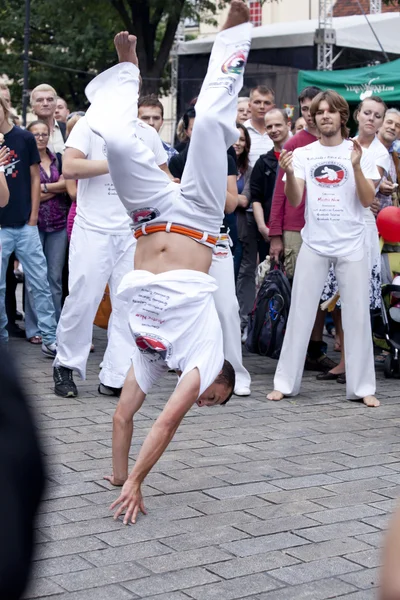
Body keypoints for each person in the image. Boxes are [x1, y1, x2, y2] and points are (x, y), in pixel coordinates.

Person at [84, 2, 251, 523]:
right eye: (215, 400)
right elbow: (168, 424)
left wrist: (118, 474)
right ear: (219, 381)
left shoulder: (153, 357)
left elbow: (124, 417)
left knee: (113, 140)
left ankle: (128, 72)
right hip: (199, 215)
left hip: (150, 214)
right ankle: (234, 39)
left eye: (208, 403)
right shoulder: (205, 356)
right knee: (205, 127)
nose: (205, 403)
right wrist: (138, 483)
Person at [267, 89, 380, 409]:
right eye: (319, 112)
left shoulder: (360, 151)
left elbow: (367, 200)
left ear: (343, 116)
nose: (325, 116)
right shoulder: (304, 154)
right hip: (314, 243)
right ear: (313, 119)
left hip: (352, 242)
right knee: (300, 314)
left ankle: (362, 388)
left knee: (358, 318)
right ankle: (284, 383)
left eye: (331, 111)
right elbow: (294, 198)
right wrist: (289, 172)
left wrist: (356, 166)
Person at [53, 108, 168, 397]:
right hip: (93, 228)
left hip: (132, 231)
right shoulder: (90, 125)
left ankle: (115, 374)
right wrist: (115, 163)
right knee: (82, 296)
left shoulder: (147, 132)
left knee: (127, 302)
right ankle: (66, 364)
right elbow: (70, 167)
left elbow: (164, 176)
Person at [268, 86, 337, 373]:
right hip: (296, 227)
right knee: (299, 291)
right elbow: (280, 193)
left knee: (323, 293)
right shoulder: (295, 143)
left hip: (327, 227)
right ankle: (297, 350)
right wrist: (275, 234)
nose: (310, 115)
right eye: (306, 109)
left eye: (316, 109)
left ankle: (316, 348)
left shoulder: (335, 142)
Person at [0, 94, 58, 355]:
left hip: (25, 224)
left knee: (41, 283)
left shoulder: (23, 138)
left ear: (5, 109)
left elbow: (35, 177)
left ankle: (49, 337)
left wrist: (33, 216)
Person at [23, 120, 68, 345]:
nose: (40, 138)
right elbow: (29, 195)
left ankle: (56, 327)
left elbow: (67, 186)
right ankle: (34, 329)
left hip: (58, 224)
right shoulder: (25, 160)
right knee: (34, 279)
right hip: (34, 223)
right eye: (35, 135)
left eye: (44, 134)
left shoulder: (58, 158)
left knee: (54, 279)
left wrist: (42, 188)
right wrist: (53, 188)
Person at [252, 109, 291, 247]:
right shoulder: (262, 162)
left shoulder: (301, 155)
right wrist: (262, 227)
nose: (274, 130)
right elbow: (256, 198)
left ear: (288, 125)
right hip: (269, 232)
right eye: (269, 127)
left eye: (278, 125)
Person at [233, 122, 252, 279]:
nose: (237, 143)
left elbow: (244, 200)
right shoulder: (215, 165)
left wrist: (219, 194)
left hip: (239, 232)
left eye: (242, 139)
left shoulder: (249, 172)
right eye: (234, 138)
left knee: (234, 278)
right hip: (215, 230)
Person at [138, 95, 178, 164]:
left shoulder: (172, 155)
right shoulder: (123, 150)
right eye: (145, 118)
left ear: (162, 121)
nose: (151, 123)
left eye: (156, 118)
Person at [244, 85, 275, 166]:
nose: (262, 107)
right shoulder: (239, 132)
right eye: (257, 102)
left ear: (273, 107)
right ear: (249, 106)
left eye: (266, 103)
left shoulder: (283, 133)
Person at [30, 84, 66, 153]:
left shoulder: (67, 129)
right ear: (32, 106)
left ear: (55, 104)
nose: (45, 103)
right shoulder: (26, 134)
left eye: (50, 100)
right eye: (40, 100)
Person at [377, 109, 400, 212]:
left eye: (398, 126)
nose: (392, 127)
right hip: (367, 220)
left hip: (387, 222)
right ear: (380, 124)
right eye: (389, 122)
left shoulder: (395, 156)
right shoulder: (364, 149)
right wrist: (377, 187)